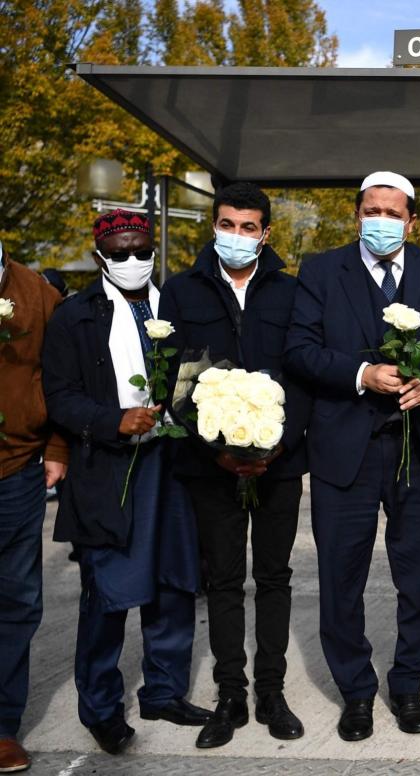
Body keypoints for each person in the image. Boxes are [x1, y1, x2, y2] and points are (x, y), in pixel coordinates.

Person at [284, 171, 420, 742]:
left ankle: (407, 684)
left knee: (419, 578)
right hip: (345, 450)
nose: (380, 221)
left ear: (412, 221)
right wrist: (361, 374)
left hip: (415, 449)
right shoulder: (320, 270)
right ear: (356, 214)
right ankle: (356, 692)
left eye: (392, 213)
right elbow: (300, 349)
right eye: (370, 211)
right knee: (342, 577)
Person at [41, 210, 210, 756]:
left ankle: (164, 690)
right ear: (99, 257)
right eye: (120, 254)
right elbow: (60, 395)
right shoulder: (75, 317)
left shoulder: (177, 306)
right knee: (109, 594)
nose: (133, 261)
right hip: (109, 470)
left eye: (142, 250)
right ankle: (101, 707)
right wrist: (114, 420)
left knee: (173, 581)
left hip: (173, 465)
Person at [159, 183, 310, 748]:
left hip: (280, 463)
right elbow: (173, 379)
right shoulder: (181, 291)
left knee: (274, 577)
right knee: (223, 580)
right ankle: (231, 696)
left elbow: (303, 375)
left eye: (249, 227)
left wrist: (277, 445)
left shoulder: (292, 292)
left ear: (266, 233)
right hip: (210, 465)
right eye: (228, 224)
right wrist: (217, 450)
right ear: (213, 227)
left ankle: (272, 692)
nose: (238, 236)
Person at [0, 238, 69, 773]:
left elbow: (59, 377)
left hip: (16, 471)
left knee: (16, 601)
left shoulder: (38, 293)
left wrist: (56, 446)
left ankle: (2, 726)